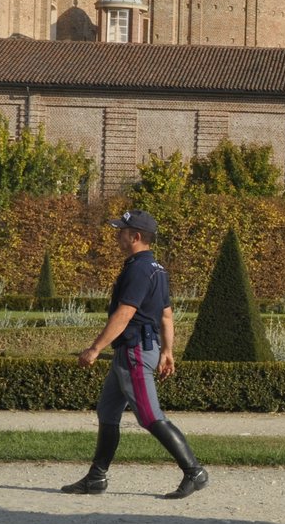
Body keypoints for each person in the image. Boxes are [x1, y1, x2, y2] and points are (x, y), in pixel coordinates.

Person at [62, 209, 208, 499]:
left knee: (150, 416)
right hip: (135, 351)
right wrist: (168, 351)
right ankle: (96, 477)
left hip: (134, 352)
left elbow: (125, 313)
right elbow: (166, 316)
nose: (118, 236)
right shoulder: (157, 268)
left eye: (122, 231)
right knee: (107, 411)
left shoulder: (138, 269)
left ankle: (194, 471)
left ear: (136, 237)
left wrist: (94, 348)